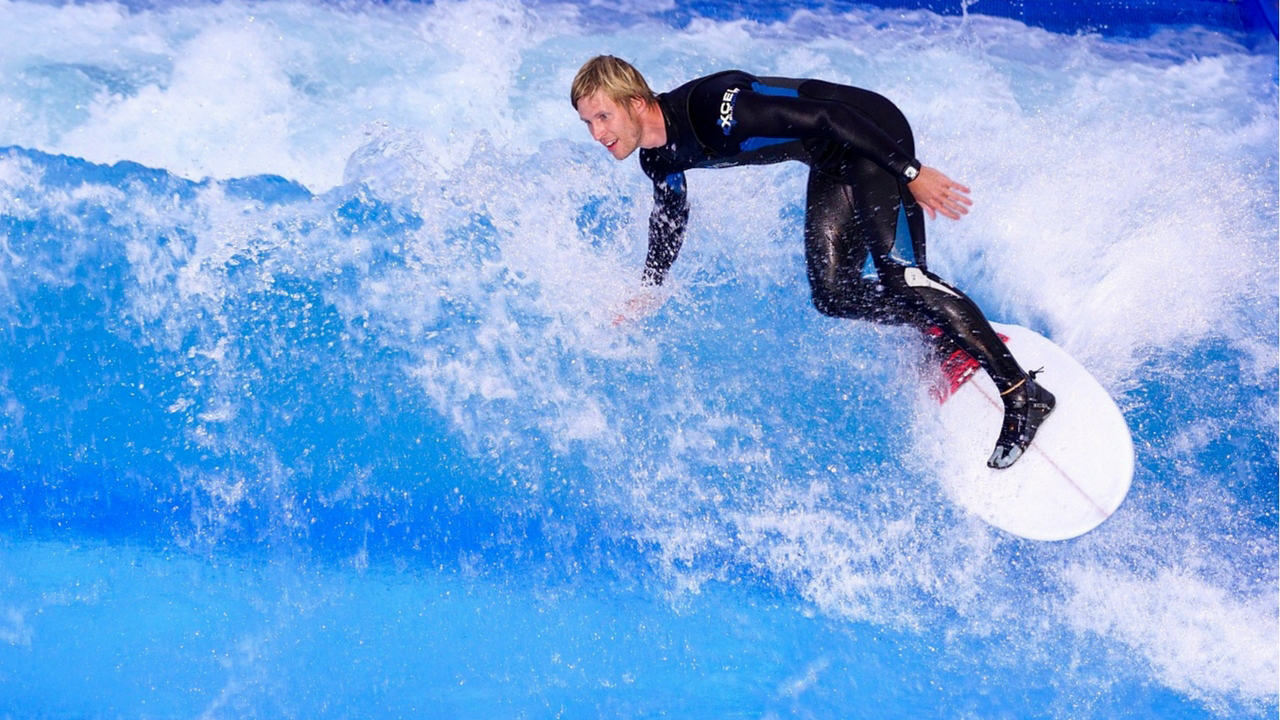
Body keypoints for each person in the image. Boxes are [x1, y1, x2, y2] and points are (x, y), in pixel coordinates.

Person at [570, 55, 1054, 469]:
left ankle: (1021, 392)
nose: (597, 134)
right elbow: (670, 214)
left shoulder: (715, 111)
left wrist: (911, 172)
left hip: (867, 132)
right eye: (588, 123)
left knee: (903, 277)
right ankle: (944, 331)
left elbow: (825, 116)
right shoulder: (658, 158)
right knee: (833, 293)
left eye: (602, 117)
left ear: (635, 103)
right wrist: (651, 285)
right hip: (833, 161)